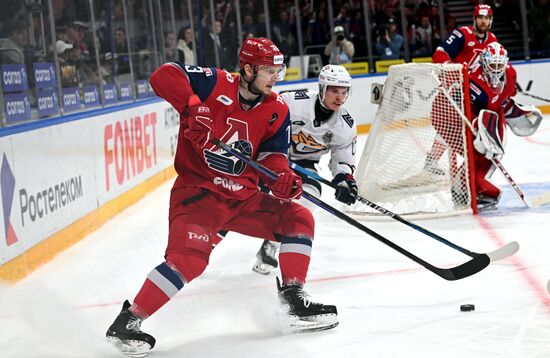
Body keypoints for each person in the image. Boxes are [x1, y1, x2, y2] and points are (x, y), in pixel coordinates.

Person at [105, 37, 338, 357]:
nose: (275, 78)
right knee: (190, 260)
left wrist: (281, 179)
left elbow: (273, 159)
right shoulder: (212, 82)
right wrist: (191, 103)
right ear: (248, 68)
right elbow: (162, 75)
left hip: (244, 199)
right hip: (199, 194)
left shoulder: (277, 109)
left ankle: (294, 298)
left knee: (299, 216)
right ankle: (128, 321)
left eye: (277, 71)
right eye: (269, 71)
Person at [252, 65, 358, 275]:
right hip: (270, 157)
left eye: (344, 92)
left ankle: (270, 245)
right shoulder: (294, 102)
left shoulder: (345, 125)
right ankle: (207, 241)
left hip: (304, 165)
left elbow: (343, 154)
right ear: (322, 89)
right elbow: (263, 118)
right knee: (240, 193)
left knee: (310, 197)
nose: (340, 97)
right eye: (334, 91)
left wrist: (344, 179)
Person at [433, 43, 542, 208]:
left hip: (494, 121)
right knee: (479, 153)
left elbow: (504, 103)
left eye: (500, 65)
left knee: (492, 154)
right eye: (493, 65)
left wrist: (519, 112)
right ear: (484, 62)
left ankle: (468, 187)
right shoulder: (471, 80)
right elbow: (460, 107)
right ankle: (464, 187)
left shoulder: (510, 73)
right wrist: (476, 123)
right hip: (473, 122)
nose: (497, 69)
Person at [432, 4, 497, 67]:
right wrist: (450, 67)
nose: (483, 21)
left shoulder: (492, 39)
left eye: (486, 18)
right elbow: (440, 52)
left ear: (490, 20)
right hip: (459, 77)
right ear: (474, 19)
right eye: (480, 17)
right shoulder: (461, 34)